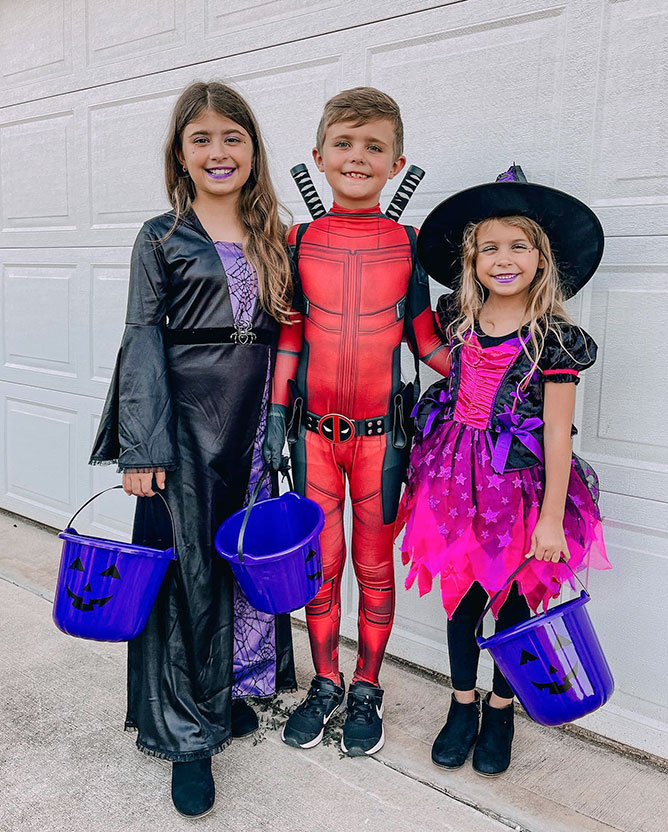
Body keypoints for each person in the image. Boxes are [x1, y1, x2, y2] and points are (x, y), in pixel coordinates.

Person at [90, 81, 296, 818]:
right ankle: (185, 736)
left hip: (249, 424)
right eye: (201, 138)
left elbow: (292, 335)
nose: (218, 152)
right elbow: (141, 339)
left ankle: (225, 693)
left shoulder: (276, 232)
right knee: (184, 576)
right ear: (180, 152)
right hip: (180, 423)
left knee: (239, 566)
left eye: (232, 137)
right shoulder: (160, 236)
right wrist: (140, 446)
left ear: (253, 148)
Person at [395, 165, 612, 776]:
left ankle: (500, 706)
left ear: (542, 259)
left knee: (513, 606)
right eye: (489, 246)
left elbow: (557, 438)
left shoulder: (555, 341)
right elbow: (428, 352)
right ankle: (461, 705)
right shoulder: (460, 324)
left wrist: (549, 522)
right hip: (454, 482)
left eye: (519, 245)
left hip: (523, 490)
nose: (504, 257)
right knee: (462, 601)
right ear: (472, 260)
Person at [263, 87, 450, 756]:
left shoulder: (412, 243)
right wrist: (275, 418)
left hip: (382, 444)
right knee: (321, 569)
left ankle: (366, 687)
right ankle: (325, 683)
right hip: (312, 440)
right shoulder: (298, 238)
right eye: (344, 143)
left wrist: (497, 367)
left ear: (398, 162)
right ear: (318, 156)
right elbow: (289, 336)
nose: (357, 156)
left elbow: (426, 344)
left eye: (374, 146)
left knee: (373, 569)